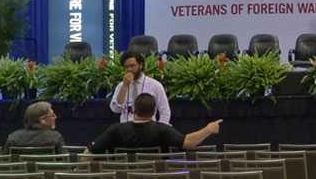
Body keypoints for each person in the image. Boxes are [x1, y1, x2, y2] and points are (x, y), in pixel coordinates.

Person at [86, 93, 220, 154]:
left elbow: (89, 152)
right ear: (154, 111)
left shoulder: (116, 130)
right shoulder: (162, 130)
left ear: (134, 110)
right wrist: (208, 129)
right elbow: (188, 142)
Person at [109, 50, 171, 125]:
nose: (129, 69)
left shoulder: (155, 85)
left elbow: (165, 111)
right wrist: (125, 86)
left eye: (132, 66)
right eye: (126, 67)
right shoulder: (121, 86)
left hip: (148, 128)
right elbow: (116, 109)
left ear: (140, 65)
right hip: (126, 128)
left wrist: (159, 129)